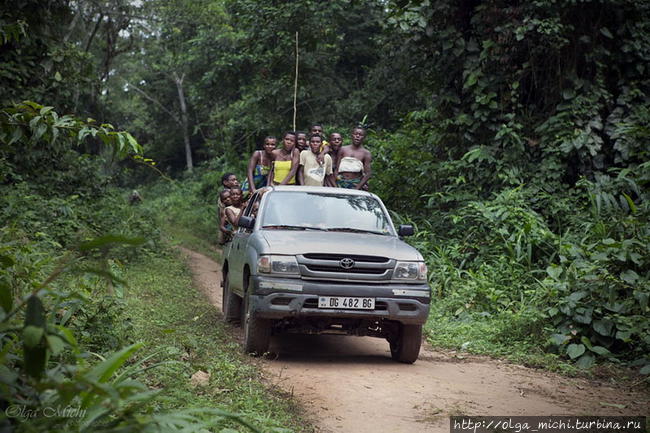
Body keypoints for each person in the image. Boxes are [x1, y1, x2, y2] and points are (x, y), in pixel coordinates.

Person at [335, 126, 371, 190]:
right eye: (355, 134)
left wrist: (357, 188)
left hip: (355, 183)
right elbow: (337, 169)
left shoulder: (366, 153)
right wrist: (335, 184)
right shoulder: (343, 149)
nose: (357, 136)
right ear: (351, 135)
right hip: (340, 182)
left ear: (364, 137)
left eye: (360, 135)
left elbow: (368, 173)